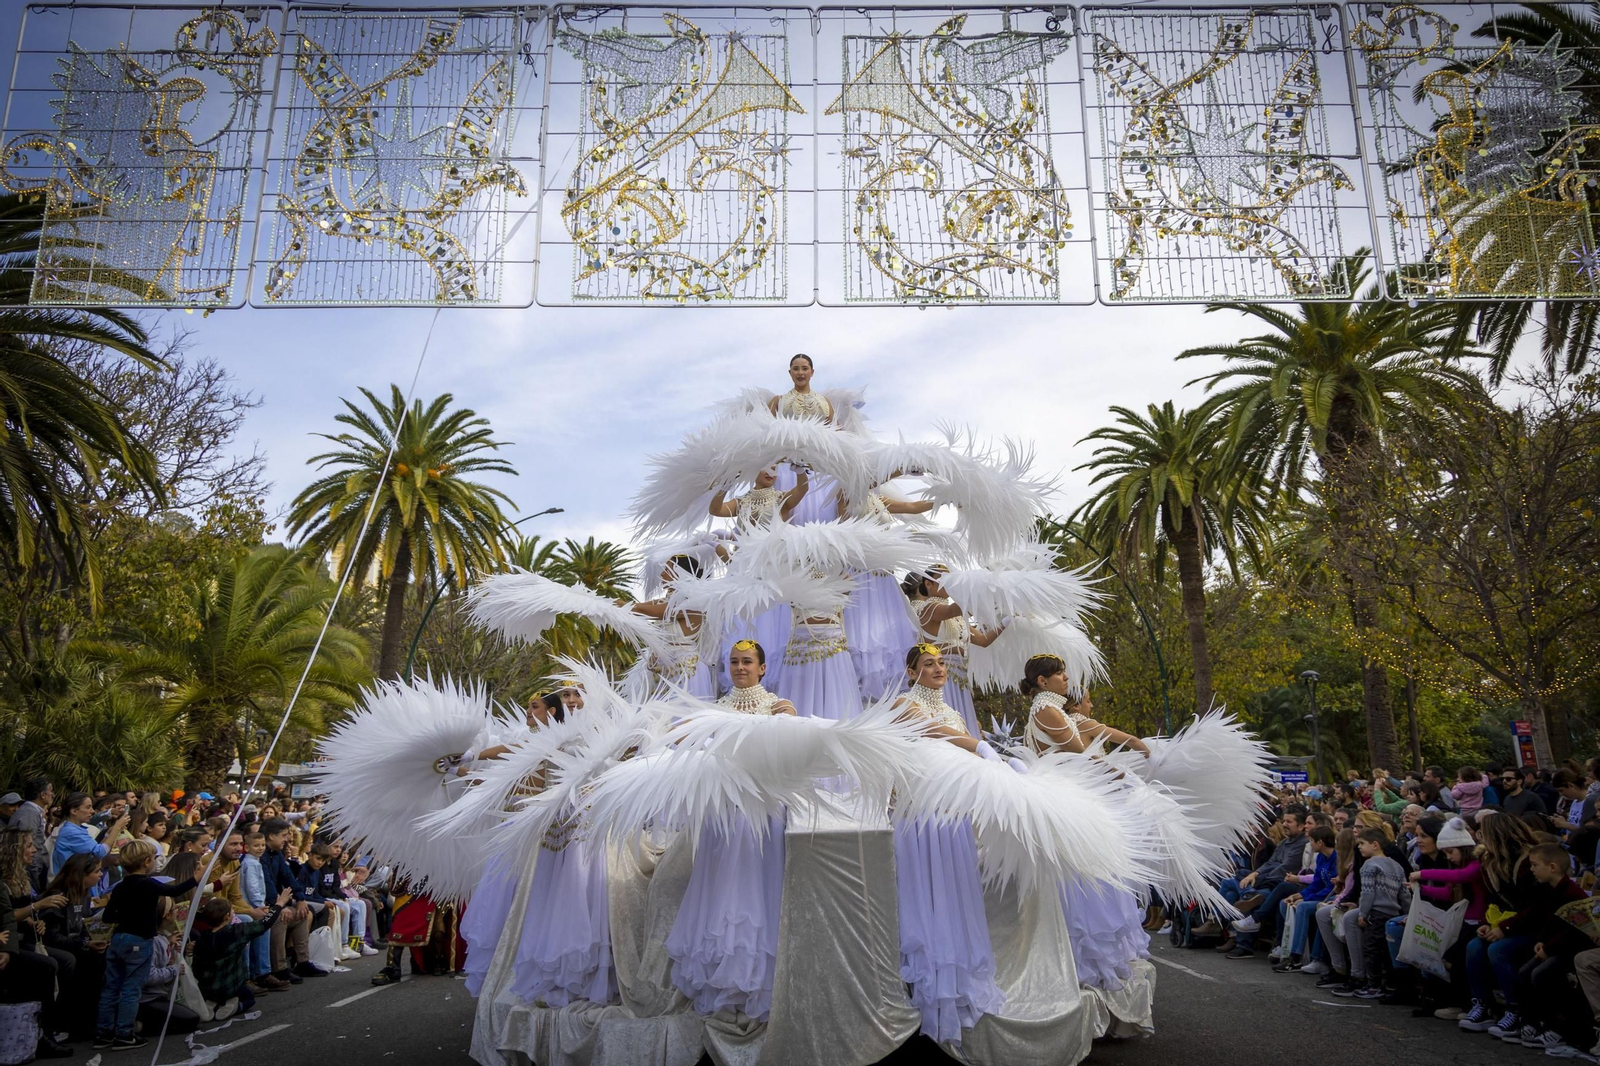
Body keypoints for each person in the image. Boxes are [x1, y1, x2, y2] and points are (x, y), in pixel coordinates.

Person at [664, 641, 794, 1019]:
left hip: (762, 812)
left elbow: (789, 742)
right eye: (734, 662)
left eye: (747, 662)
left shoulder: (779, 705)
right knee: (721, 889)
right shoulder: (715, 709)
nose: (739, 667)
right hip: (722, 812)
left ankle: (757, 981)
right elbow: (686, 739)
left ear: (762, 668)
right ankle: (722, 979)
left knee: (756, 888)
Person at [892, 644, 1004, 1043]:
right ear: (912, 672)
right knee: (927, 900)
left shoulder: (954, 712)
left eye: (941, 663)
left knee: (955, 898)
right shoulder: (903, 704)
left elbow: (966, 758)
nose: (939, 668)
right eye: (929, 664)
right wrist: (979, 745)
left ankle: (957, 990)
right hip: (921, 817)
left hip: (953, 817)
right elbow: (932, 730)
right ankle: (927, 996)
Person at [1022, 654, 1150, 990]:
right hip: (1070, 800)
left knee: (1090, 875)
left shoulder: (1053, 710)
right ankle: (1085, 962)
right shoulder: (1047, 709)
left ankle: (1090, 961)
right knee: (1086, 880)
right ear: (1042, 681)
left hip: (1070, 797)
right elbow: (1081, 756)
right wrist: (1119, 776)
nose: (1066, 678)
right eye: (1060, 674)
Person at [96, 840, 198, 1051]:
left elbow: (108, 916)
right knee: (131, 989)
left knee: (111, 987)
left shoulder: (120, 886)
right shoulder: (148, 884)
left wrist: (125, 915)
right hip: (139, 940)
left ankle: (103, 1033)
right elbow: (175, 890)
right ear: (146, 862)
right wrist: (196, 878)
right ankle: (124, 1034)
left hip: (118, 939)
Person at [1458, 814, 1542, 1035]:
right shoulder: (1490, 861)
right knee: (1474, 946)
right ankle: (1483, 1004)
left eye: (1483, 834)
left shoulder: (1527, 862)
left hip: (1532, 926)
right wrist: (1486, 923)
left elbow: (1537, 906)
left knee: (1498, 950)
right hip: (1504, 923)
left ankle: (1515, 1009)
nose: (1479, 838)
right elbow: (1493, 899)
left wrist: (1504, 928)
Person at [1504, 842, 1589, 1052]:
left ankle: (1557, 1029)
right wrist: (1542, 941)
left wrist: (1549, 948)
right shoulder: (1547, 890)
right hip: (1551, 945)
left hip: (1569, 949)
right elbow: (1545, 920)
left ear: (1552, 867)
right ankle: (1531, 1023)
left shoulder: (1573, 894)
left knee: (1542, 974)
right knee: (1524, 972)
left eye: (1535, 865)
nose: (1531, 869)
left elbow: (1574, 932)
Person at [903, 568, 1004, 739]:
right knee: (947, 727)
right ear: (928, 584)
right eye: (944, 579)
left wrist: (1007, 620)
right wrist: (986, 590)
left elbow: (983, 640)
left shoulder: (957, 618)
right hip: (941, 677)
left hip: (960, 680)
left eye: (952, 578)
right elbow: (954, 610)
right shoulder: (929, 608)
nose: (950, 583)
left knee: (964, 724)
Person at [191, 889, 294, 1021]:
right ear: (227, 917)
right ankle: (234, 1005)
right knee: (249, 998)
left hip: (208, 988)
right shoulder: (237, 931)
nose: (234, 913)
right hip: (231, 985)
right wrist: (279, 904)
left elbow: (197, 968)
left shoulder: (201, 938)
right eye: (232, 911)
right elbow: (265, 923)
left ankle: (212, 1003)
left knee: (214, 988)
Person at [1222, 807, 1310, 957]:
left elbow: (1286, 867)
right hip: (1268, 880)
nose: (1284, 824)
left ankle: (1241, 943)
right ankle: (1233, 934)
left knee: (1245, 896)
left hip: (1278, 884)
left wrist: (1260, 877)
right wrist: (1255, 874)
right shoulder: (1284, 842)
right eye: (1284, 821)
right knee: (1236, 883)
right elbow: (1270, 863)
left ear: (1301, 826)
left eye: (1289, 822)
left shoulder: (1302, 843)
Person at [627, 555, 718, 699]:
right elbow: (637, 607)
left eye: (667, 569)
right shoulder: (666, 600)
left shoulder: (692, 601)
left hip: (686, 671)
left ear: (681, 573)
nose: (662, 574)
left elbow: (650, 611)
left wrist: (620, 606)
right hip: (662, 672)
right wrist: (605, 605)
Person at [259, 817, 318, 985]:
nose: (287, 839)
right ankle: (279, 968)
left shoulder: (276, 854)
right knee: (280, 918)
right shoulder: (260, 855)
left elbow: (288, 877)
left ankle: (302, 962)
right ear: (271, 836)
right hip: (262, 905)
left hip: (277, 902)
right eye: (284, 835)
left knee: (302, 914)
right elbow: (266, 884)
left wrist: (300, 899)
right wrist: (277, 906)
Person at [1352, 827, 1407, 1000]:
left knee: (1371, 949)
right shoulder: (1397, 866)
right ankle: (1388, 984)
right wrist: (1408, 914)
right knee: (1386, 951)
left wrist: (1362, 913)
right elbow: (1404, 895)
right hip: (1393, 914)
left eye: (1362, 843)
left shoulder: (1369, 865)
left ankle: (1373, 985)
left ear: (1375, 845)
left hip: (1375, 913)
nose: (1359, 847)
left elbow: (1368, 893)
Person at [52, 791, 128, 879]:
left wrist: (108, 833)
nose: (92, 811)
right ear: (74, 811)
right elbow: (100, 852)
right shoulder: (71, 832)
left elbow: (95, 852)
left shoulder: (76, 829)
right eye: (88, 807)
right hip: (73, 881)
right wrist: (117, 827)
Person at [12, 779, 50, 892]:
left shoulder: (31, 811)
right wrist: (33, 871)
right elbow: (25, 845)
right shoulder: (30, 813)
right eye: (51, 790)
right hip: (29, 869)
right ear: (43, 795)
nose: (52, 794)